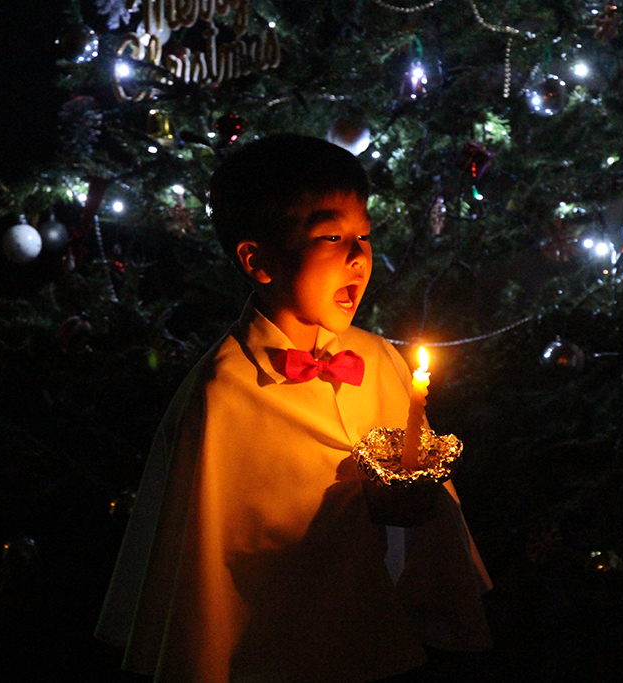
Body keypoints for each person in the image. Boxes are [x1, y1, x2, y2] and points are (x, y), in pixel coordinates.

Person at [96, 134, 492, 682]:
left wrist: (402, 504)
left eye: (364, 236)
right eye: (331, 236)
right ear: (259, 261)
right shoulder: (224, 395)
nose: (358, 256)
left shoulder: (379, 361)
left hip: (375, 641)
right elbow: (208, 576)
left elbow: (428, 534)